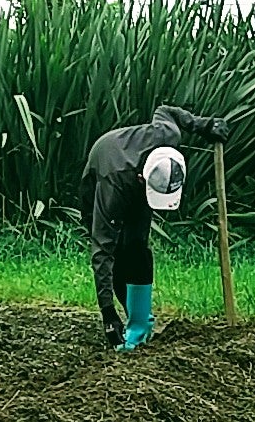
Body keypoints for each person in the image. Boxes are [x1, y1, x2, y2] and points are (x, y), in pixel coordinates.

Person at [79, 105, 229, 351]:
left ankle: (139, 325)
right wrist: (107, 314)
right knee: (114, 250)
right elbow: (101, 251)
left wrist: (204, 124)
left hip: (138, 175)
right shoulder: (112, 187)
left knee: (137, 247)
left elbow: (166, 110)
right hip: (106, 167)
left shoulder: (168, 136)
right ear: (143, 180)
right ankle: (123, 320)